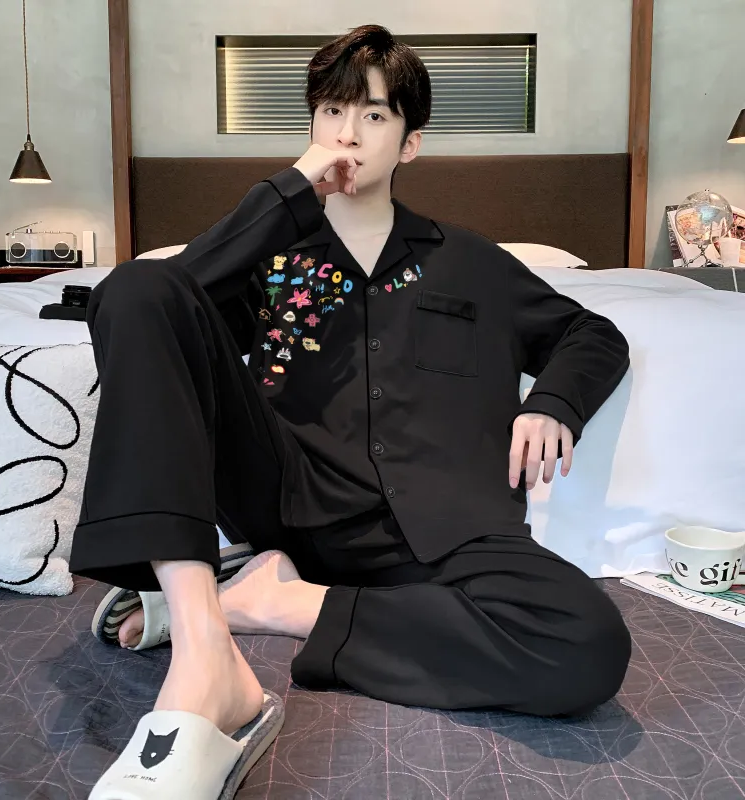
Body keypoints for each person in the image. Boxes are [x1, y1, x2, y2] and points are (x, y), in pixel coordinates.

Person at [74, 24, 632, 799]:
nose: (347, 132)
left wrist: (554, 402)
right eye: (332, 111)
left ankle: (269, 601)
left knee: (587, 644)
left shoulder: (472, 261)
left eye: (373, 114)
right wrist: (287, 195)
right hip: (290, 502)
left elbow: (591, 333)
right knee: (137, 284)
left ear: (410, 143)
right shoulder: (273, 260)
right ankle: (205, 640)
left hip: (448, 527)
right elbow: (153, 308)